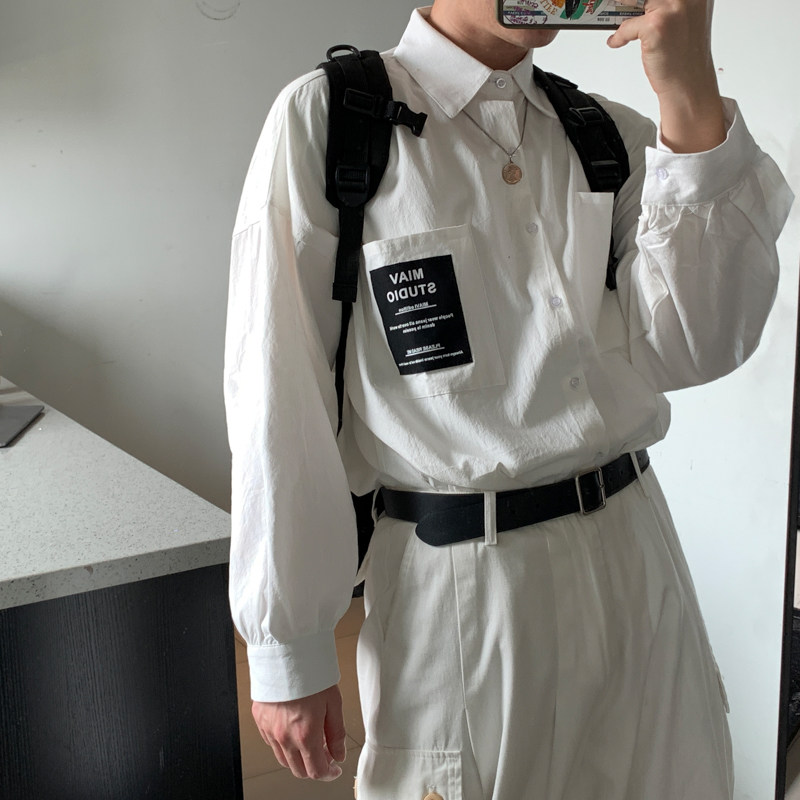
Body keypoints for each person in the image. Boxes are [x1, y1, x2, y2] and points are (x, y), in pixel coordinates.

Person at [224, 0, 794, 797]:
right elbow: (278, 391)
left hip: (638, 558)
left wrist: (690, 96)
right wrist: (288, 647)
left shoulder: (605, 134)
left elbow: (700, 344)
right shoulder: (334, 121)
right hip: (463, 590)